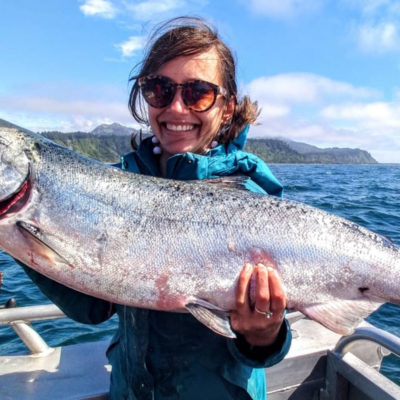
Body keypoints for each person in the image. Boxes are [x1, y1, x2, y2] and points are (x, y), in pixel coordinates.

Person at [22, 16, 291, 400]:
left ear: (227, 107)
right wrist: (16, 237)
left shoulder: (254, 202)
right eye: (159, 90)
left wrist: (264, 335)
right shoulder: (110, 187)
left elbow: (268, 353)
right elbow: (91, 307)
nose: (177, 108)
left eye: (198, 93)